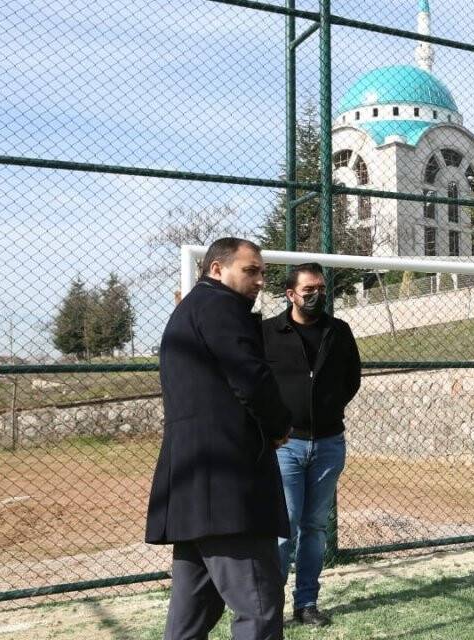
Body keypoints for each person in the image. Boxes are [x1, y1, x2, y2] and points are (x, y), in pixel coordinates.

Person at [145, 237, 293, 640]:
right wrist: (280, 426)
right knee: (258, 607)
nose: (261, 279)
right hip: (227, 486)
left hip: (193, 487)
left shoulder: (191, 310)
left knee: (191, 613)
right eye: (251, 270)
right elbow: (251, 378)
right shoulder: (221, 307)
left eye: (262, 271)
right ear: (216, 269)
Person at [261, 262, 362, 626]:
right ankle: (268, 608)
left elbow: (352, 379)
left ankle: (306, 604)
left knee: (315, 527)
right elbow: (258, 384)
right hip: (284, 445)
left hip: (329, 445)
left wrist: (329, 407)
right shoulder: (268, 333)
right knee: (283, 525)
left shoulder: (339, 331)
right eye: (309, 290)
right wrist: (278, 423)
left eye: (321, 288)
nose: (317, 295)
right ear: (290, 294)